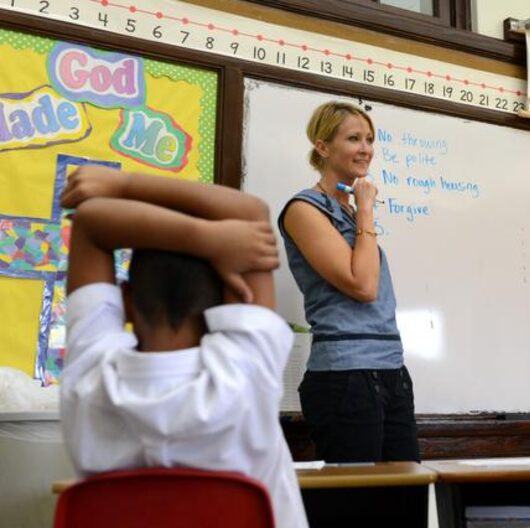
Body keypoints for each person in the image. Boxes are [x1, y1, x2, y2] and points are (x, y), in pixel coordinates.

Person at [59, 167, 309, 528]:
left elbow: (89, 223)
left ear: (126, 300)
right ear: (231, 303)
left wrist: (206, 239)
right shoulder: (245, 373)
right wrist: (123, 183)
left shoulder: (89, 380)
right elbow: (250, 212)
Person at [278, 102, 419, 463]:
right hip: (346, 377)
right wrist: (367, 211)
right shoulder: (305, 209)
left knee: (405, 500)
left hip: (391, 370)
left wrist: (361, 211)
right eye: (354, 138)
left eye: (370, 139)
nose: (366, 149)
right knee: (357, 507)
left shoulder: (351, 211)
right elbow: (362, 285)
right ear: (322, 147)